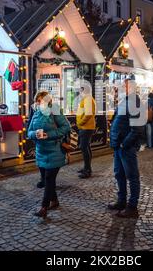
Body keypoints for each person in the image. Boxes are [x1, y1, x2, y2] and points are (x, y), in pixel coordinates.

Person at [27, 91, 71, 219]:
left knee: (49, 179)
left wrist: (49, 135)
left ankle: (44, 207)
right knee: (46, 180)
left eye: (43, 100)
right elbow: (28, 132)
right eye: (39, 101)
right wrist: (34, 134)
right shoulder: (36, 113)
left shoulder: (55, 110)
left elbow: (66, 127)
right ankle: (55, 201)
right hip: (41, 152)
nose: (41, 103)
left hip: (55, 150)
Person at [108, 79, 145, 218]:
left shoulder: (135, 102)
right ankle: (121, 201)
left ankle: (132, 206)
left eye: (124, 86)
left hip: (125, 147)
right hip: (119, 146)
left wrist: (125, 143)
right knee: (119, 174)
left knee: (132, 176)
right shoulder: (126, 101)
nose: (121, 87)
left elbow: (138, 128)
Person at [76, 86, 97, 179]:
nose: (80, 93)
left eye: (81, 91)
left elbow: (88, 114)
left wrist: (80, 122)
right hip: (86, 127)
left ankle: (87, 170)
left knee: (84, 148)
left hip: (86, 127)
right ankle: (87, 167)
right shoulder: (87, 99)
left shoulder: (88, 99)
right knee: (86, 147)